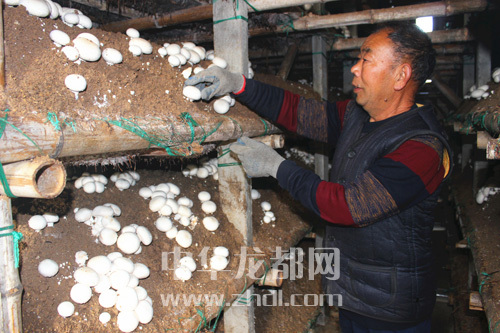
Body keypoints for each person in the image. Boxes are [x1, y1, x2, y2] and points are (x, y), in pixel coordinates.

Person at [185, 22, 452, 333]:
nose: (354, 69)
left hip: (391, 309)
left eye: (366, 60)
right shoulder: (359, 115)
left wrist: (277, 167)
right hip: (354, 294)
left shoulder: (421, 147)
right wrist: (239, 85)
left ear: (401, 75)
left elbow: (349, 206)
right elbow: (301, 112)